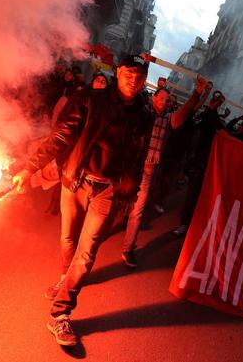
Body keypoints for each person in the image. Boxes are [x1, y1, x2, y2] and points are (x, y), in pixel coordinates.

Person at [12, 54, 153, 347]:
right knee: (68, 240)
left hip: (108, 191)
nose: (134, 80)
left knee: (87, 253)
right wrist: (30, 168)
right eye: (129, 73)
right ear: (118, 71)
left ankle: (60, 314)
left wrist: (131, 192)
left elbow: (138, 158)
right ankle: (65, 277)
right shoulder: (92, 99)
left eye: (140, 76)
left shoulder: (144, 115)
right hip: (76, 182)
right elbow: (61, 135)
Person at [121, 76, 211, 268]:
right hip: (129, 165)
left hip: (148, 170)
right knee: (117, 199)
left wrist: (197, 93)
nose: (165, 102)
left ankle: (128, 249)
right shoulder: (143, 112)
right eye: (161, 98)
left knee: (138, 209)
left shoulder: (169, 121)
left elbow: (185, 112)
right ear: (154, 99)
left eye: (167, 100)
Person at [173, 90, 226, 236]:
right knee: (191, 196)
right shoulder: (202, 121)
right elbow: (204, 123)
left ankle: (195, 225)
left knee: (204, 200)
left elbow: (215, 128)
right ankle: (185, 224)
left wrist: (212, 111)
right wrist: (211, 109)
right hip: (198, 164)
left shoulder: (223, 132)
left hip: (210, 170)